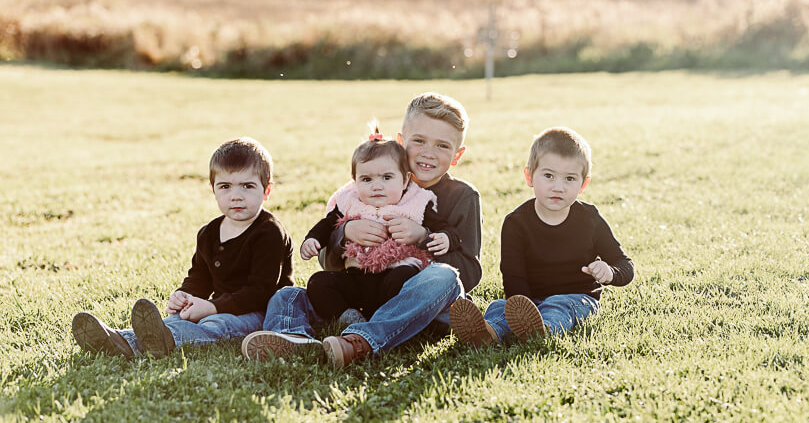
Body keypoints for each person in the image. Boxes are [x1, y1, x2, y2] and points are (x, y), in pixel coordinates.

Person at [242, 92, 482, 367]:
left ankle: (363, 340)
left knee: (445, 278)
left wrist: (422, 238)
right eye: (419, 141)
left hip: (418, 304)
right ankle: (293, 338)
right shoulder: (363, 189)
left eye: (442, 146)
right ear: (401, 142)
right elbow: (328, 264)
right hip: (359, 298)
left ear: (457, 155)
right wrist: (346, 233)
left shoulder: (463, 196)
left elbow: (470, 272)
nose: (428, 153)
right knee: (287, 294)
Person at [71, 137, 293, 358]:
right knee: (177, 319)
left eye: (247, 186)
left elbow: (260, 291)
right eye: (225, 186)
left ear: (266, 190)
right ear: (213, 189)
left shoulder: (269, 233)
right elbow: (200, 276)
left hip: (257, 313)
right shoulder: (210, 233)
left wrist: (212, 307)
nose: (236, 195)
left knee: (216, 324)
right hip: (217, 305)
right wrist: (186, 294)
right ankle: (121, 341)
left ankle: (168, 340)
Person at [450, 126, 634, 346]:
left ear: (583, 184)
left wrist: (610, 273)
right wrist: (521, 306)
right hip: (529, 300)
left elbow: (625, 264)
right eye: (548, 176)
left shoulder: (590, 219)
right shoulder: (516, 223)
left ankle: (542, 331)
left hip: (576, 298)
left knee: (557, 307)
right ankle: (488, 333)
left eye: (569, 179)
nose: (558, 187)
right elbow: (513, 277)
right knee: (499, 307)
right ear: (530, 176)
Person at [302, 123, 451, 328]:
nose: (377, 186)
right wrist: (312, 240)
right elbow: (326, 225)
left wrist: (443, 237)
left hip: (396, 275)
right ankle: (349, 318)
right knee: (318, 282)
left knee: (405, 279)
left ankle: (387, 319)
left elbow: (441, 225)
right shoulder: (350, 204)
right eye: (366, 179)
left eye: (387, 177)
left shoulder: (415, 204)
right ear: (354, 181)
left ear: (405, 180)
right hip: (356, 277)